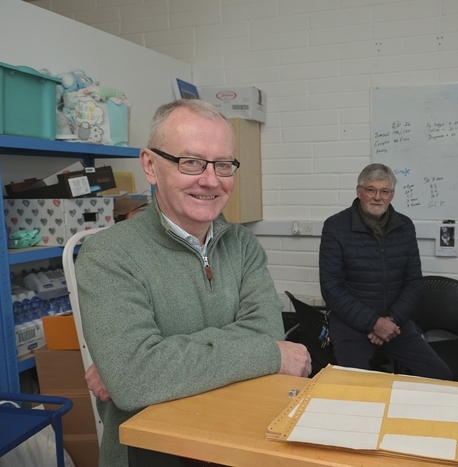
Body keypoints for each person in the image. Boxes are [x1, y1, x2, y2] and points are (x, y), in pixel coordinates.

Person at [76, 99, 311, 467]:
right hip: (152, 455)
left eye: (223, 164)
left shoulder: (243, 246)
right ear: (151, 166)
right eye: (191, 162)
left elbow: (266, 330)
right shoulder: (108, 255)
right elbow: (135, 379)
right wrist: (267, 355)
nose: (211, 180)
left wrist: (151, 360)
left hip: (239, 441)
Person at [319, 163, 453, 380]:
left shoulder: (404, 226)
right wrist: (374, 323)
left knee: (442, 377)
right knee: (357, 387)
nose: (377, 197)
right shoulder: (335, 227)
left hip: (395, 323)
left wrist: (391, 321)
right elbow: (332, 289)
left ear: (392, 194)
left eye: (384, 191)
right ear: (359, 191)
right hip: (350, 324)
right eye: (371, 189)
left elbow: (413, 282)